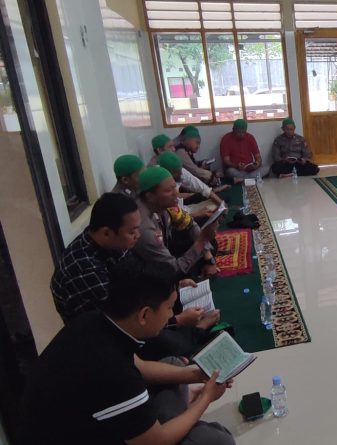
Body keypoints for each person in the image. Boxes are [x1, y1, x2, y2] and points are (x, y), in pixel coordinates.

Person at [21, 254, 236, 445]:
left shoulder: (93, 321)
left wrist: (196, 375)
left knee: (173, 365)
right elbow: (156, 442)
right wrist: (206, 397)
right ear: (144, 315)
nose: (172, 315)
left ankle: (178, 408)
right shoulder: (112, 371)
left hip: (78, 421)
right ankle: (181, 412)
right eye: (170, 308)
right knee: (216, 440)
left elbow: (140, 366)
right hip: (84, 436)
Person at [50, 193, 140, 323]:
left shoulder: (110, 241)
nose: (138, 235)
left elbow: (137, 273)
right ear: (106, 233)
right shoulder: (84, 270)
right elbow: (124, 316)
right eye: (131, 232)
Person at [133, 166, 219, 279]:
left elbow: (190, 224)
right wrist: (201, 241)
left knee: (209, 244)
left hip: (167, 247)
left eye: (175, 188)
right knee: (188, 269)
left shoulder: (164, 204)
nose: (176, 194)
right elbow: (172, 270)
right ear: (150, 196)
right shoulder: (144, 228)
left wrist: (209, 259)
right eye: (169, 191)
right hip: (155, 271)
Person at [150, 134, 231, 193]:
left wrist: (209, 191)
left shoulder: (169, 161)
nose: (174, 149)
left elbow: (189, 178)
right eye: (170, 147)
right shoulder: (154, 170)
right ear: (160, 150)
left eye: (173, 146)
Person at [157, 151, 223, 213]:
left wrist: (222, 205)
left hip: (183, 210)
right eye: (176, 172)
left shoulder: (180, 172)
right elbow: (174, 216)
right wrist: (199, 214)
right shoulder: (160, 186)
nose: (180, 173)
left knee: (216, 203)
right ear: (167, 172)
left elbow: (203, 188)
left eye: (180, 170)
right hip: (176, 215)